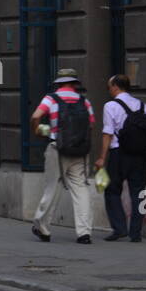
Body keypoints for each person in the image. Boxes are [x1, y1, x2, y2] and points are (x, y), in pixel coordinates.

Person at [29, 68, 95, 243]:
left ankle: (42, 227)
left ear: (58, 83)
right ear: (74, 83)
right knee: (81, 190)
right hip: (80, 152)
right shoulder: (84, 101)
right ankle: (84, 232)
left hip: (57, 149)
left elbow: (35, 116)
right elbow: (91, 125)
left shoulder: (51, 99)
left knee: (52, 187)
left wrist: (37, 129)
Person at [95, 73, 146, 242]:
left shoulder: (110, 106)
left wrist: (101, 157)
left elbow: (107, 133)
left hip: (118, 153)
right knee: (139, 192)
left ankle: (119, 228)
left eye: (109, 87)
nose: (109, 90)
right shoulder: (143, 106)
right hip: (140, 155)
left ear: (115, 87)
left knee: (112, 190)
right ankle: (136, 233)